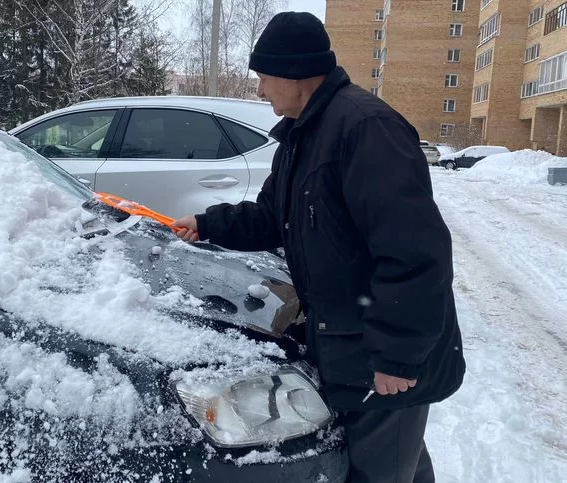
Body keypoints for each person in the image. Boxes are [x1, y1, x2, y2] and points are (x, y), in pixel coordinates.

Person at [172, 11, 465, 483]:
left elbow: (416, 252)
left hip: (382, 357)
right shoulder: (303, 135)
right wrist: (208, 224)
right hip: (352, 347)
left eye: (264, 78)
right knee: (392, 460)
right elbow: (274, 216)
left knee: (380, 468)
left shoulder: (366, 129)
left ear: (294, 72)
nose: (260, 91)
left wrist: (396, 357)